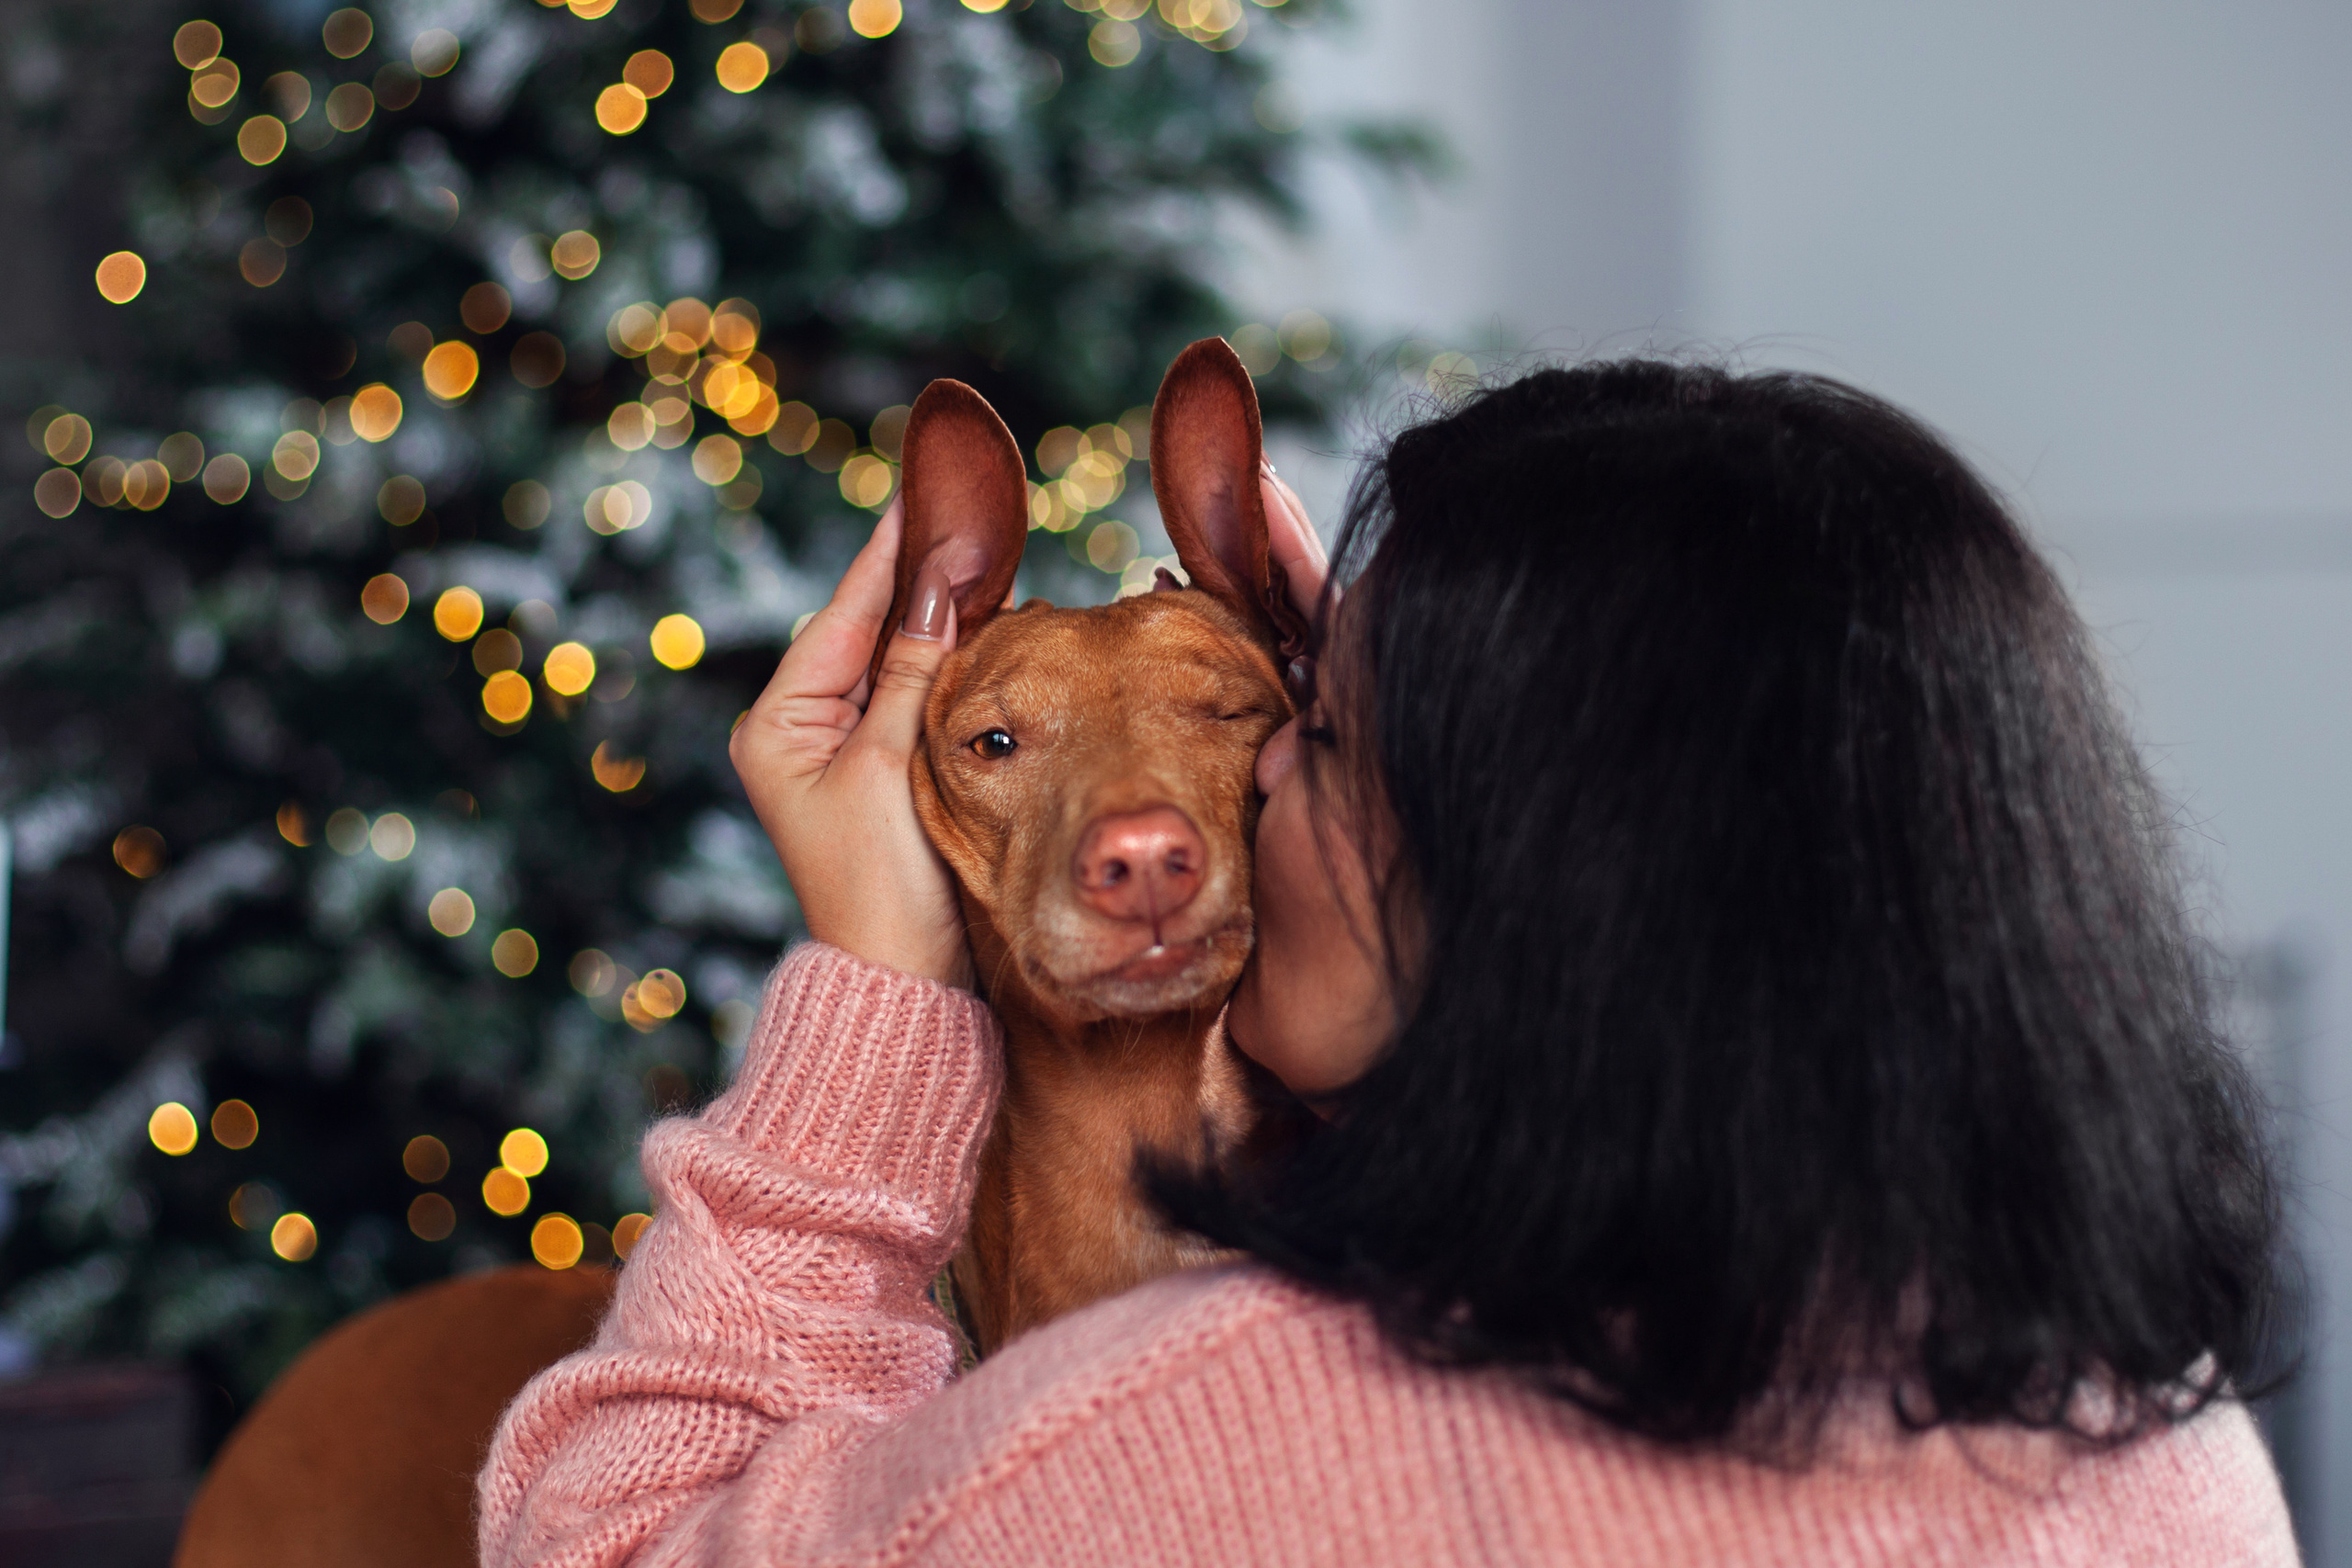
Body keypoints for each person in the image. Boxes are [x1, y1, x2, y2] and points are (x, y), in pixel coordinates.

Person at [479, 362, 2297, 1565]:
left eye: (1322, 737)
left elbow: (610, 1540)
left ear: (1561, 854)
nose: (1248, 788)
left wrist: (875, 982)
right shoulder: (2160, 1443)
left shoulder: (1204, 1433)